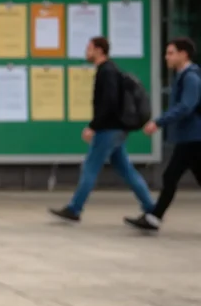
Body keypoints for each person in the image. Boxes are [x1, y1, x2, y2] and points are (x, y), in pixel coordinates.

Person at [50, 36, 155, 223]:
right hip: (116, 129)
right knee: (126, 170)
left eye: (89, 48)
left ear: (99, 50)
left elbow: (108, 103)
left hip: (108, 129)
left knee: (90, 168)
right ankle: (151, 209)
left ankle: (74, 209)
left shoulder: (106, 71)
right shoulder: (110, 70)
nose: (86, 51)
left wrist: (93, 126)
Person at [126, 37, 201, 232]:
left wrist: (158, 122)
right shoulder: (183, 76)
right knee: (171, 177)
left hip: (194, 137)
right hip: (190, 137)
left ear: (183, 54)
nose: (166, 57)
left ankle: (154, 218)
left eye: (170, 53)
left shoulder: (191, 77)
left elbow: (186, 106)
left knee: (170, 177)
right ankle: (154, 217)